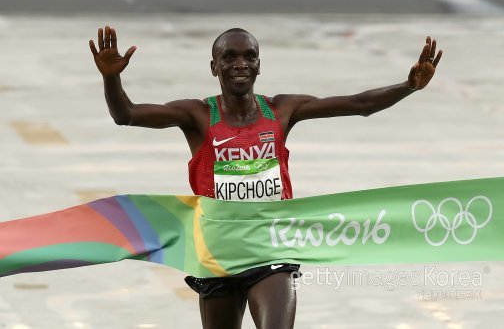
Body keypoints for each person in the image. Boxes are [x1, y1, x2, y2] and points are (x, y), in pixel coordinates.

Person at [89, 26, 442, 329]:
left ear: (259, 64)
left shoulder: (282, 109)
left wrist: (408, 85)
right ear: (214, 66)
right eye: (229, 57)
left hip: (270, 246)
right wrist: (111, 77)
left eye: (249, 56)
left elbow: (358, 104)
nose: (240, 64)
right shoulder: (197, 114)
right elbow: (128, 114)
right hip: (218, 251)